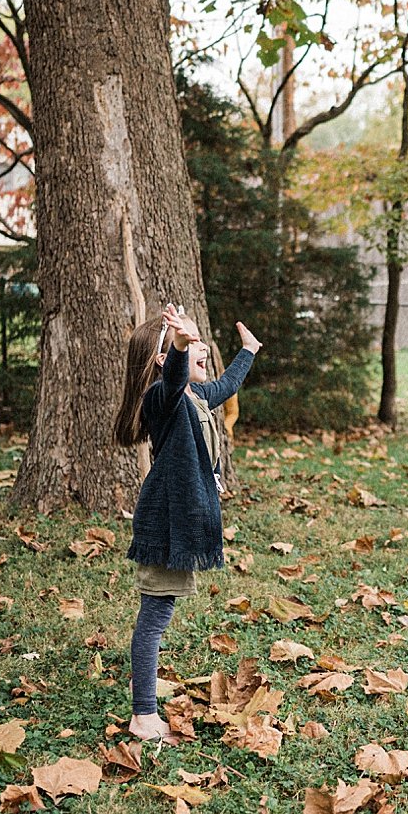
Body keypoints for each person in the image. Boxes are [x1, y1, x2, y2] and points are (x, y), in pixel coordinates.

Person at [112, 302, 261, 742]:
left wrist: (248, 351)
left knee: (160, 611)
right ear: (163, 359)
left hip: (180, 522)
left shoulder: (196, 397)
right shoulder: (163, 398)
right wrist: (179, 345)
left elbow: (227, 383)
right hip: (165, 524)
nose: (201, 348)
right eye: (191, 345)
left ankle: (143, 697)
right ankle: (143, 715)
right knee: (154, 618)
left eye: (198, 342)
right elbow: (175, 375)